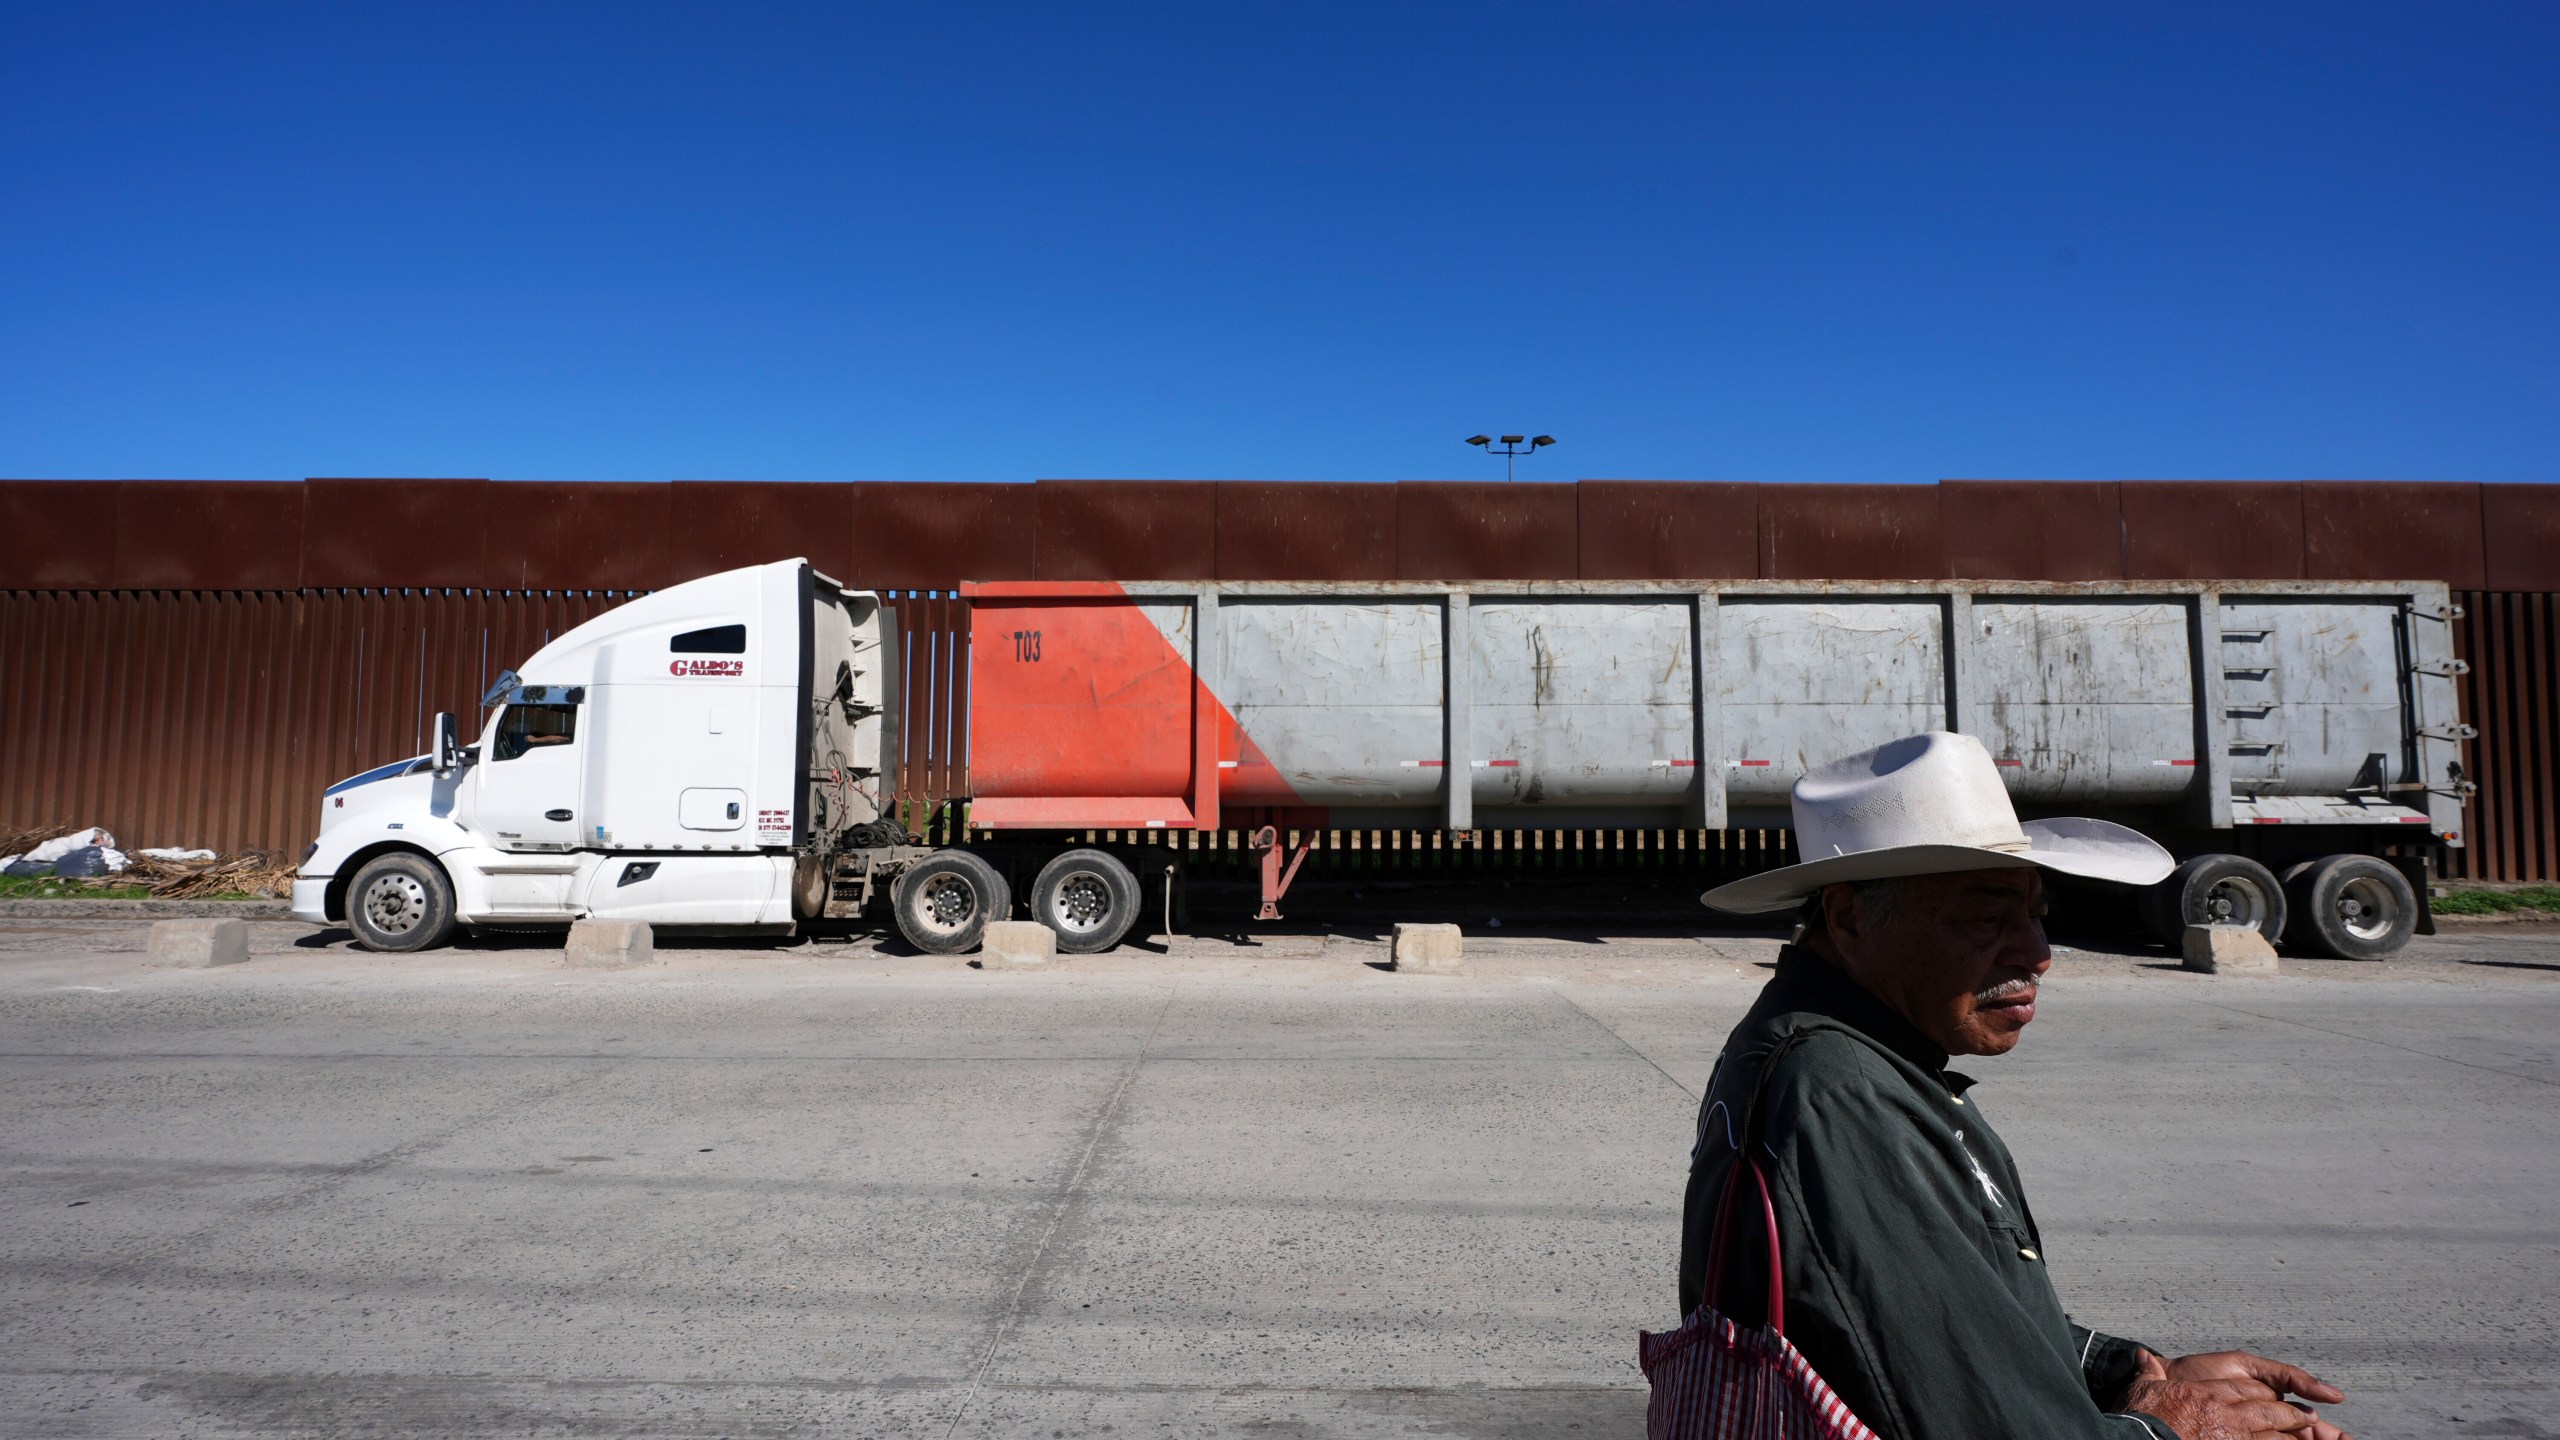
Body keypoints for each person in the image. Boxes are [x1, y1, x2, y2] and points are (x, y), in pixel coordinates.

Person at [1682, 732, 2353, 1440]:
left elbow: (1958, 1318)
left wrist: (2126, 1372)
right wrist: (2172, 1429)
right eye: (1987, 917)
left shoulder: (1859, 1059)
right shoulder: (1837, 1091)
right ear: (1850, 917)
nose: (2038, 955)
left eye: (2035, 914)